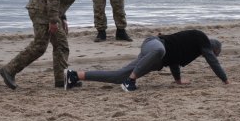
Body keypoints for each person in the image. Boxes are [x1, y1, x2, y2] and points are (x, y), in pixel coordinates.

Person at [0, 0, 100, 90]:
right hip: (40, 10)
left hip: (46, 11)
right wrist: (53, 21)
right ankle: (9, 70)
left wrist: (62, 17)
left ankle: (61, 80)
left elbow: (60, 0)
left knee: (60, 44)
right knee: (42, 45)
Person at [66, 30, 227, 92]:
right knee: (160, 50)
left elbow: (174, 62)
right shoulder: (202, 38)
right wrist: (225, 80)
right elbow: (213, 61)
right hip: (154, 44)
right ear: (212, 48)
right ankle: (131, 81)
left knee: (117, 76)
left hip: (156, 60)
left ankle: (74, 76)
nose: (207, 56)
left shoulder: (192, 50)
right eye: (212, 54)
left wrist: (178, 80)